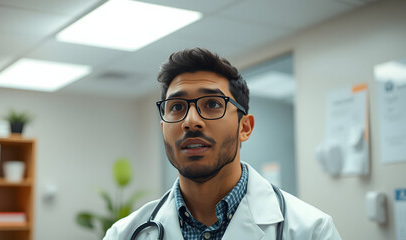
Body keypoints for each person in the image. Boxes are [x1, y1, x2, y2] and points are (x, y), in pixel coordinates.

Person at [103, 48, 342, 240]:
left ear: (245, 127)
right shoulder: (124, 234)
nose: (191, 121)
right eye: (177, 107)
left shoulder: (312, 231)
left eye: (213, 104)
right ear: (163, 128)